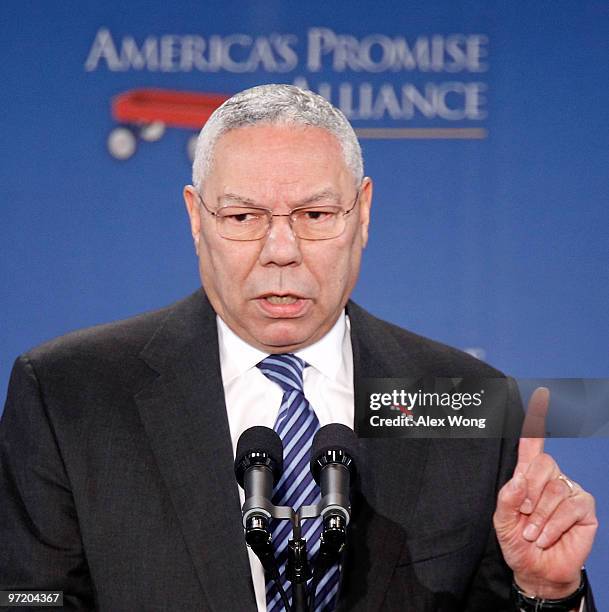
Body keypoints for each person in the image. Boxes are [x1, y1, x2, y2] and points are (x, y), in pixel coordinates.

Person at [0, 84, 598, 611]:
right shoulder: (68, 395)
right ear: (195, 217)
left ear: (362, 214)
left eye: (315, 214)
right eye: (243, 217)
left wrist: (546, 596)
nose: (281, 249)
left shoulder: (466, 401)